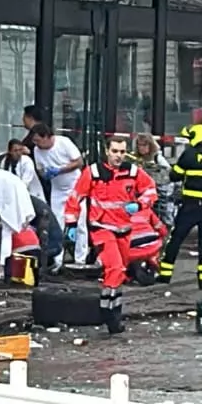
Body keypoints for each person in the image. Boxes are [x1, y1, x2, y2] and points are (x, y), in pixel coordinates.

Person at [63, 136, 158, 335]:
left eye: (122, 152)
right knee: (114, 268)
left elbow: (150, 190)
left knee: (120, 272)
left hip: (124, 229)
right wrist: (71, 223)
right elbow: (76, 197)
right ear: (107, 151)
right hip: (101, 229)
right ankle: (107, 312)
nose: (118, 156)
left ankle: (114, 312)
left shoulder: (132, 172)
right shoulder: (94, 173)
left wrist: (140, 204)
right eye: (115, 151)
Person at [157, 123, 202, 289]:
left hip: (189, 206)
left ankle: (165, 276)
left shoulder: (189, 155)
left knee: (176, 239)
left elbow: (175, 175)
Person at [28, 123, 87, 264]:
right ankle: (58, 259)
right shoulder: (37, 150)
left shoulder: (63, 143)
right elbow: (40, 169)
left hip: (75, 186)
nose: (37, 144)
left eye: (38, 140)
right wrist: (45, 174)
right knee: (56, 222)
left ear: (47, 137)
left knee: (80, 223)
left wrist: (60, 170)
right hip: (57, 188)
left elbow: (79, 162)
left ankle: (80, 259)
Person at [130, 133, 175, 227]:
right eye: (140, 145)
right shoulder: (134, 158)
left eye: (145, 145)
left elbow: (167, 173)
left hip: (157, 192)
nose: (142, 148)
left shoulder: (157, 158)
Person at [1, 138, 45, 203]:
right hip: (15, 196)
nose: (18, 153)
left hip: (32, 195)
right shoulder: (4, 162)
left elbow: (25, 183)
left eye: (20, 150)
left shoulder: (27, 161)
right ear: (10, 151)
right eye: (15, 150)